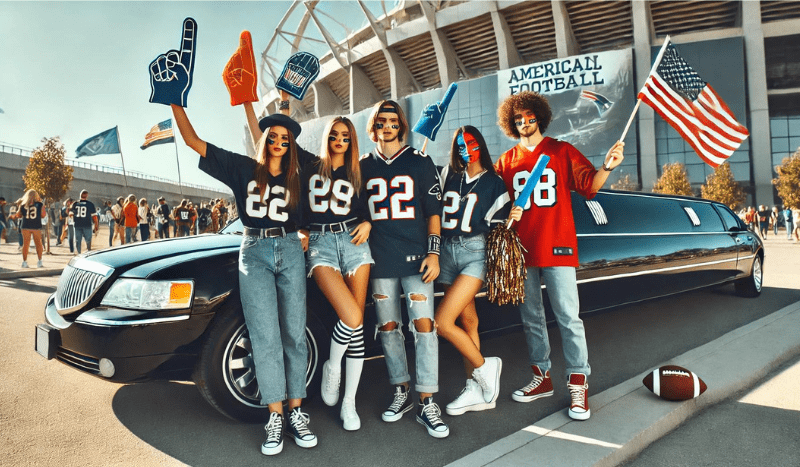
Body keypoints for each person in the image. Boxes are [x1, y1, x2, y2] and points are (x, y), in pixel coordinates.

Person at [170, 103, 317, 456]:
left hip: (290, 249)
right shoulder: (242, 168)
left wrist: (306, 231)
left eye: (286, 137)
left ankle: (297, 412)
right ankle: (275, 417)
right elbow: (193, 141)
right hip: (253, 251)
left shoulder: (301, 172)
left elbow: (333, 168)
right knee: (264, 336)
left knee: (294, 334)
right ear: (263, 139)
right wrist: (175, 101)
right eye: (274, 136)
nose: (280, 141)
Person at [495, 91, 624, 421]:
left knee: (569, 316)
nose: (524, 123)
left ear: (540, 117)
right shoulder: (506, 161)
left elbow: (589, 187)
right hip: (521, 251)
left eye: (529, 117)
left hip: (558, 245)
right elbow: (491, 203)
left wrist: (608, 165)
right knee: (531, 318)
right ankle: (542, 377)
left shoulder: (561, 151)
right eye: (518, 119)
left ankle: (578, 383)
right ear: (512, 124)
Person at [360, 99, 448, 438]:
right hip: (379, 260)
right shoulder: (362, 164)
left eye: (393, 120)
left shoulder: (420, 160)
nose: (386, 125)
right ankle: (401, 389)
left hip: (415, 257)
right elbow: (353, 207)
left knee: (424, 326)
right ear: (373, 125)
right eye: (381, 120)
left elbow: (433, 211)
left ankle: (427, 399)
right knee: (388, 327)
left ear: (401, 125)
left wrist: (434, 252)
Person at [301, 116, 373, 431]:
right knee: (352, 317)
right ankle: (333, 366)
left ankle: (349, 403)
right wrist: (300, 230)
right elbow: (275, 136)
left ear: (351, 140)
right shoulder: (311, 166)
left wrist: (369, 221)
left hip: (354, 242)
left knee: (354, 327)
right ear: (327, 137)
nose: (340, 140)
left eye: (345, 136)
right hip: (321, 243)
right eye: (334, 135)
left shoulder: (360, 170)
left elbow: (371, 206)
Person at [435, 126, 511, 416]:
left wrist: (512, 216)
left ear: (480, 143)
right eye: (460, 144)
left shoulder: (494, 182)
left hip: (474, 253)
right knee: (468, 321)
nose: (466, 148)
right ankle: (474, 389)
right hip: (445, 252)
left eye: (471, 142)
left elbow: (499, 228)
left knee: (443, 321)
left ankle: (484, 367)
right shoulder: (447, 176)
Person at [12, 189, 46, 268]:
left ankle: (24, 262)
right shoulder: (40, 204)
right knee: (38, 244)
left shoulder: (23, 205)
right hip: (36, 226)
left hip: (25, 226)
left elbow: (18, 215)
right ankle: (39, 261)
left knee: (25, 245)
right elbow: (43, 215)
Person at [71, 189, 99, 254]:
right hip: (87, 224)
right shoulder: (90, 204)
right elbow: (94, 217)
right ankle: (88, 253)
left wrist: (75, 218)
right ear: (87, 195)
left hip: (77, 225)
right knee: (88, 240)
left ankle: (79, 253)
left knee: (78, 241)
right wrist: (96, 225)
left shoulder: (75, 203)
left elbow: (70, 214)